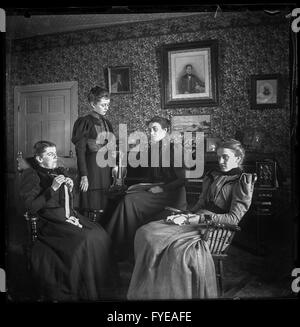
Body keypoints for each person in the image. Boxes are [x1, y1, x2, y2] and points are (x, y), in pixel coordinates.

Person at [127, 139, 255, 299]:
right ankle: (154, 288)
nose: (220, 161)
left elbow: (233, 218)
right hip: (194, 220)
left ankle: (174, 293)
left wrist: (197, 218)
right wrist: (185, 214)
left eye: (225, 157)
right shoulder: (212, 175)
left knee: (177, 250)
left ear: (237, 158)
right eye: (219, 157)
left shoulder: (242, 181)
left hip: (217, 229)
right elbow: (200, 203)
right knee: (146, 232)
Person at [18, 141, 119, 301]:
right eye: (50, 155)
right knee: (86, 239)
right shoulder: (32, 175)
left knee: (100, 234)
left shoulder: (59, 171)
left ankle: (101, 287)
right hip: (50, 222)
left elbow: (66, 202)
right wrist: (53, 189)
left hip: (68, 217)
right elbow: (31, 207)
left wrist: (70, 189)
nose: (55, 158)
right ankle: (86, 291)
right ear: (39, 159)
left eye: (55, 154)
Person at [104, 116, 187, 260]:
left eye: (155, 130)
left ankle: (119, 247)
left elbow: (182, 179)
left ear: (166, 130)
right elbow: (153, 178)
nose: (151, 133)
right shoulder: (153, 148)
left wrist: (162, 189)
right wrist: (140, 186)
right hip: (157, 188)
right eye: (149, 130)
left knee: (130, 201)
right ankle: (113, 244)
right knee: (126, 194)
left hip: (171, 194)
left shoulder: (175, 149)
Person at [71, 86, 113, 221]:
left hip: (105, 168)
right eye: (103, 105)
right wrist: (84, 176)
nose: (106, 108)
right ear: (93, 104)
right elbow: (80, 150)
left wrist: (114, 166)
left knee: (104, 200)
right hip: (92, 168)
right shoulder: (84, 122)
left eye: (108, 104)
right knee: (91, 201)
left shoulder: (107, 123)